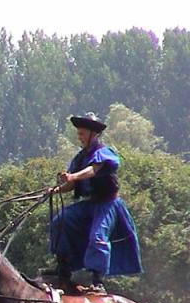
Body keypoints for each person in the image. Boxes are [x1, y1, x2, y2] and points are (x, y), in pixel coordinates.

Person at [46, 112, 142, 292]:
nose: (79, 138)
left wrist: (73, 176)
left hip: (108, 205)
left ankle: (98, 281)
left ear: (93, 134)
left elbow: (93, 170)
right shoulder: (79, 158)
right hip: (89, 204)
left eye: (82, 134)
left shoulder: (105, 153)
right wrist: (55, 190)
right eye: (79, 134)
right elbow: (71, 184)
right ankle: (63, 270)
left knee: (98, 237)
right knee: (60, 221)